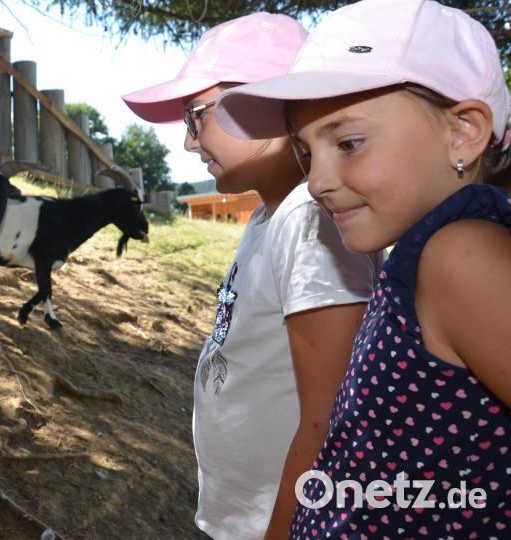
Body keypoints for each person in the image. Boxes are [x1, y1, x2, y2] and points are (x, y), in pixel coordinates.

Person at [215, 0, 511, 537]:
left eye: (348, 143)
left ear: (464, 132)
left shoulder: (461, 256)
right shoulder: (421, 254)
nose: (317, 181)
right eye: (307, 153)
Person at [122, 13, 384, 539]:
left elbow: (332, 415)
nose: (189, 144)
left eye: (196, 116)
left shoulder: (309, 222)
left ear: (264, 102)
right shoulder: (271, 217)